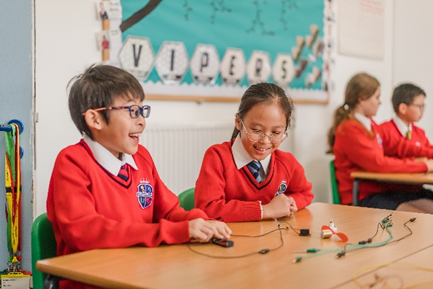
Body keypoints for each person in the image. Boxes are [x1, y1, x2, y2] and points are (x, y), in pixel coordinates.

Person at [46, 65, 231, 288]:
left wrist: (199, 222)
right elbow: (87, 233)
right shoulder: (72, 162)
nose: (142, 121)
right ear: (95, 119)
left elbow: (170, 211)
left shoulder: (141, 157)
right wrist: (176, 231)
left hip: (140, 273)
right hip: (92, 281)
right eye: (133, 111)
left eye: (143, 110)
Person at [195, 83, 313, 222]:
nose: (265, 141)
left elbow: (305, 193)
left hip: (272, 240)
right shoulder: (218, 157)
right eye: (257, 130)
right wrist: (266, 210)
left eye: (275, 132)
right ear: (239, 122)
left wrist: (289, 203)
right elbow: (207, 209)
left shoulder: (287, 162)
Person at [327, 72, 433, 212]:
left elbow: (398, 146)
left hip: (381, 191)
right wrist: (423, 166)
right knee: (422, 216)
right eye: (377, 97)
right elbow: (379, 164)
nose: (380, 102)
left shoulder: (370, 125)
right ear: (362, 99)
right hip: (362, 197)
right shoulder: (349, 129)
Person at [379, 83, 432, 157]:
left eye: (423, 106)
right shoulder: (383, 130)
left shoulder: (420, 132)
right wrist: (415, 162)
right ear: (403, 108)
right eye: (420, 106)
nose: (422, 110)